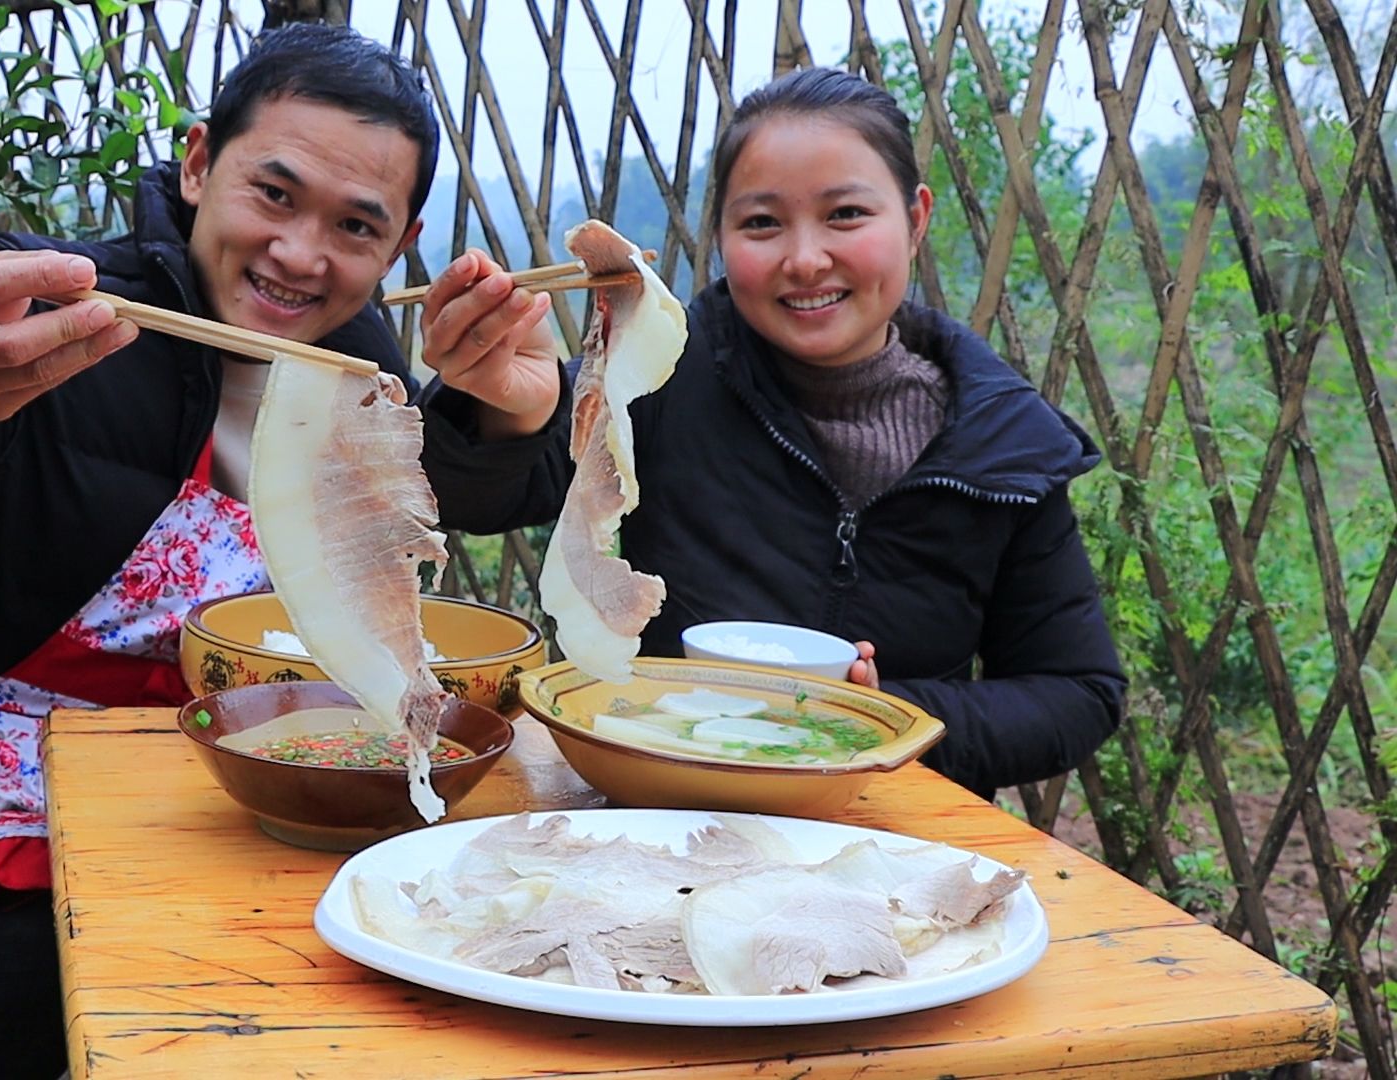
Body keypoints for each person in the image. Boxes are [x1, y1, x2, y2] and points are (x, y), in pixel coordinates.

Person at [0, 23, 566, 1080]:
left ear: (401, 244)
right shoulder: (49, 309)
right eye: (276, 194)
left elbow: (469, 490)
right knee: (18, 973)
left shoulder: (363, 373)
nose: (303, 254)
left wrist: (514, 417)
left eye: (356, 225)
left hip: (270, 768)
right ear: (201, 161)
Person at [428, 65, 1126, 801]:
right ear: (722, 236)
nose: (804, 259)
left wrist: (881, 719)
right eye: (762, 222)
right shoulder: (661, 376)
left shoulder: (1005, 443)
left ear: (916, 219)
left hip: (883, 835)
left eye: (846, 215)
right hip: (660, 811)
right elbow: (485, 496)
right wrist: (512, 405)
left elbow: (1077, 693)